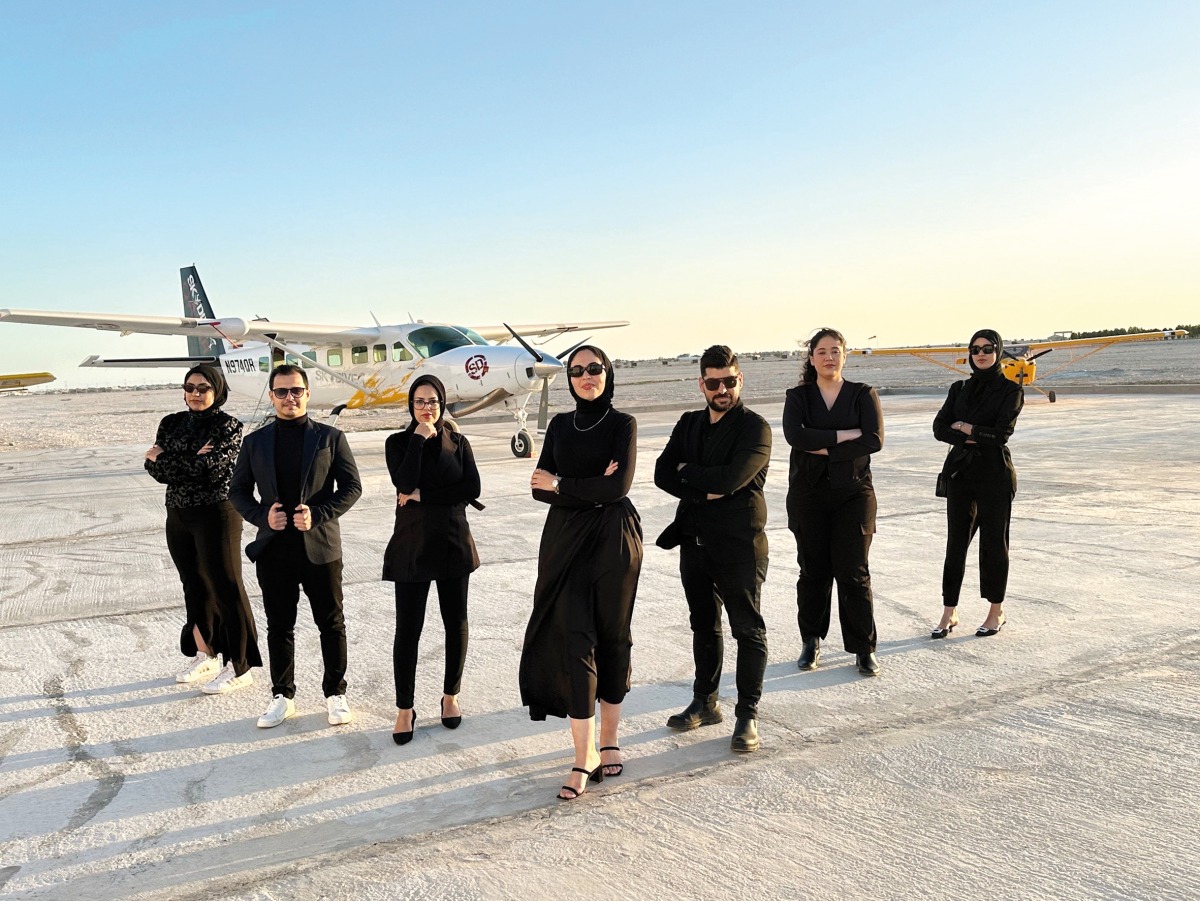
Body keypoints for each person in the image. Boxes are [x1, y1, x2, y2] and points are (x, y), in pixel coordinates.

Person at [520, 345, 642, 800]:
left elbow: (618, 486)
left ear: (608, 372)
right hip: (565, 543)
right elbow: (538, 488)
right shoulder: (559, 425)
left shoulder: (622, 425)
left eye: (595, 368)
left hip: (614, 542)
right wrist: (589, 487)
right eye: (577, 371)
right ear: (568, 379)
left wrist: (563, 484)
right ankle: (584, 754)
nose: (586, 376)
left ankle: (609, 739)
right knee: (575, 643)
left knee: (613, 637)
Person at [229, 364, 362, 728]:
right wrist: (262, 517)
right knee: (279, 626)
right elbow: (237, 491)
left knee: (331, 624)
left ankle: (335, 693)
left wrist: (318, 514)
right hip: (274, 550)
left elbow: (352, 487)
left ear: (307, 394)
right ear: (272, 397)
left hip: (320, 548)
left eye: (296, 391)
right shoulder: (254, 443)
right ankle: (282, 696)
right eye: (282, 392)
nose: (290, 398)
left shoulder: (330, 438)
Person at [655, 345, 771, 753]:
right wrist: (706, 488)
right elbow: (662, 474)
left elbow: (733, 479)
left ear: (740, 380)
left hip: (740, 545)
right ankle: (705, 702)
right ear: (701, 384)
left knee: (747, 629)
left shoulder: (755, 428)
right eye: (714, 382)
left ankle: (747, 715)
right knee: (703, 625)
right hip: (695, 542)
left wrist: (689, 473)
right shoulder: (688, 423)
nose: (722, 389)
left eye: (729, 381)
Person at [145, 364, 262, 694]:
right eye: (190, 387)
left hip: (216, 513)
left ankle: (240, 666)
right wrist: (185, 459)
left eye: (203, 388)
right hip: (177, 513)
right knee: (194, 585)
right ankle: (205, 653)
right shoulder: (171, 423)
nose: (195, 394)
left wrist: (167, 457)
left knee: (226, 586)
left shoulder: (228, 426)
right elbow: (154, 469)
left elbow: (211, 469)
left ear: (217, 391)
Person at [383, 375, 482, 745]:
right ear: (411, 405)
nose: (427, 408)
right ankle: (405, 708)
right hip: (413, 545)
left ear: (442, 404)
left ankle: (450, 695)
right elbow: (404, 483)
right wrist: (418, 440)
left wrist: (424, 496)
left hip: (453, 542)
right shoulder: (397, 443)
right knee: (408, 629)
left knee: (456, 623)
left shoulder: (459, 442)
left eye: (433, 401)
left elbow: (472, 488)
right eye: (420, 401)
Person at [783, 328, 884, 676]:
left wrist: (822, 446)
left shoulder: (863, 394)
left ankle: (863, 648)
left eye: (835, 351)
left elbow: (873, 440)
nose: (829, 357)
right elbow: (796, 436)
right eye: (822, 351)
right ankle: (811, 641)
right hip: (808, 495)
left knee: (854, 571)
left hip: (854, 494)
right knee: (813, 571)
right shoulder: (798, 397)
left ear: (845, 355)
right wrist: (844, 436)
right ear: (811, 358)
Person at [931, 329, 1023, 639]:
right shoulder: (959, 389)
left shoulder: (1011, 390)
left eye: (988, 348)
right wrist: (973, 434)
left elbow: (1001, 435)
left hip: (995, 475)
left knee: (994, 544)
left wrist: (964, 427)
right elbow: (939, 428)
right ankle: (949, 611)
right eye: (975, 349)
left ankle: (996, 611)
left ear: (998, 352)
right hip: (961, 475)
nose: (981, 354)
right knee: (955, 544)